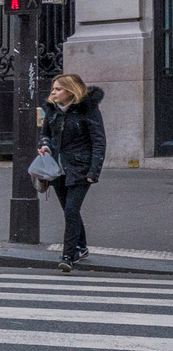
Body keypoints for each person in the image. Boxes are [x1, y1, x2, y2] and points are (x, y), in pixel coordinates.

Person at [41, 73, 106, 273]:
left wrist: (94, 171)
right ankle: (82, 247)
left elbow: (98, 141)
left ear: (70, 91)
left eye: (58, 89)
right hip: (57, 169)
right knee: (70, 211)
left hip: (80, 168)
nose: (53, 92)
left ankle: (68, 256)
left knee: (71, 210)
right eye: (53, 89)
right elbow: (45, 134)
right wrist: (44, 146)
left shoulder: (88, 110)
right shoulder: (52, 111)